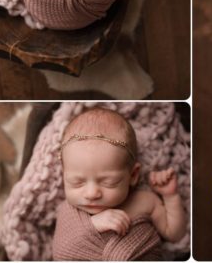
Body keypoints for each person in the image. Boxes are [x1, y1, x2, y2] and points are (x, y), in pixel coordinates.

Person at [53, 107, 186, 259]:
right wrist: (92, 226)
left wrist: (170, 197)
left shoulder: (145, 201)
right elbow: (60, 252)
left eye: (109, 182)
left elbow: (175, 234)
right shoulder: (68, 211)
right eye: (77, 182)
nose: (92, 193)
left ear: (133, 175)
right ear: (64, 175)